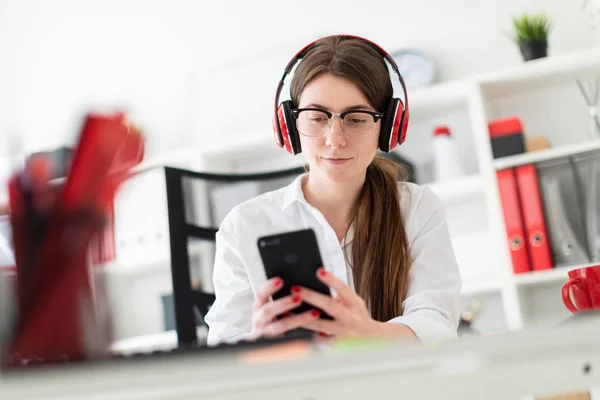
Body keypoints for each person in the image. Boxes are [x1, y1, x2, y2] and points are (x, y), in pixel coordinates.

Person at [204, 35, 462, 346]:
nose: (335, 139)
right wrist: (260, 342)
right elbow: (223, 349)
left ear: (389, 126)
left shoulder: (417, 208)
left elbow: (437, 325)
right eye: (316, 118)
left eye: (356, 119)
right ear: (289, 126)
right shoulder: (243, 225)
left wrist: (366, 332)